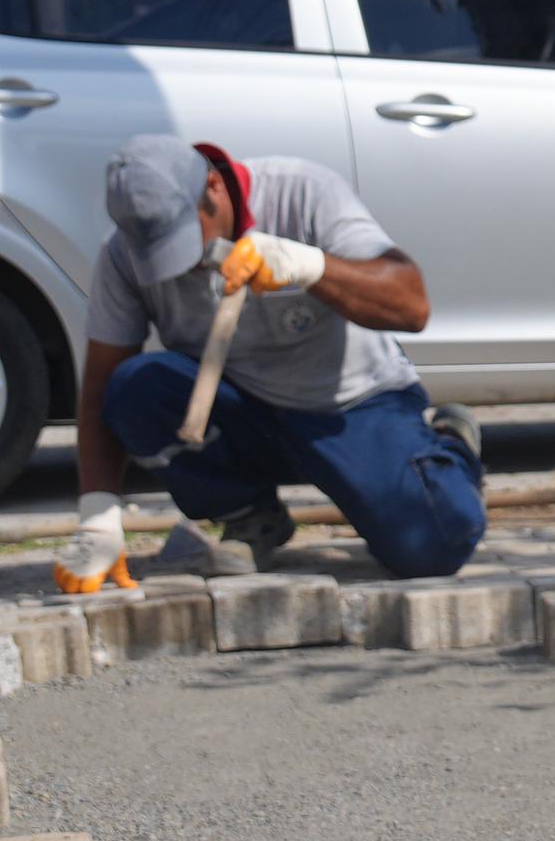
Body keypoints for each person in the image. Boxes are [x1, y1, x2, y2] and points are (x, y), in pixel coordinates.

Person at [62, 131, 486, 587]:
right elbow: (101, 386)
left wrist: (310, 266)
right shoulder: (122, 255)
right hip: (243, 412)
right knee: (133, 389)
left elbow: (411, 305)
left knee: (432, 547)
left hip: (350, 408)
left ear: (214, 187)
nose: (178, 266)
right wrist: (97, 514)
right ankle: (250, 514)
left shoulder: (303, 193)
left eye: (183, 241)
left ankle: (449, 444)